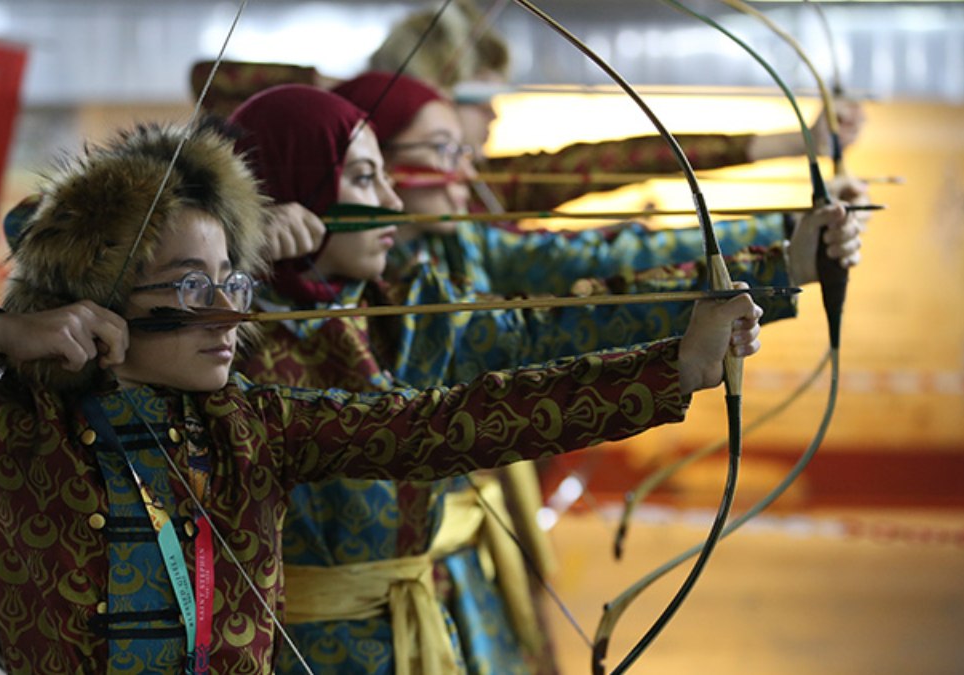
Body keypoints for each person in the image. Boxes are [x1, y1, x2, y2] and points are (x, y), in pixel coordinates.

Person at [0, 117, 763, 675]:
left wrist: (672, 367)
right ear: (96, 302)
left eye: (233, 282)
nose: (227, 315)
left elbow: (441, 424)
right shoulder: (18, 430)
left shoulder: (257, 424)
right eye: (189, 287)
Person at [330, 70, 864, 675]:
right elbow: (532, 339)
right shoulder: (323, 307)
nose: (474, 161)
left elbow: (594, 272)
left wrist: (785, 248)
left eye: (464, 145)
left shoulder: (449, 251)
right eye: (446, 147)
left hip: (445, 570)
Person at [368, 0, 866, 211]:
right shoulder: (422, 198)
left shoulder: (477, 191)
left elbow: (612, 162)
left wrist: (799, 142)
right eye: (479, 99)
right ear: (429, 99)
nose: (495, 114)